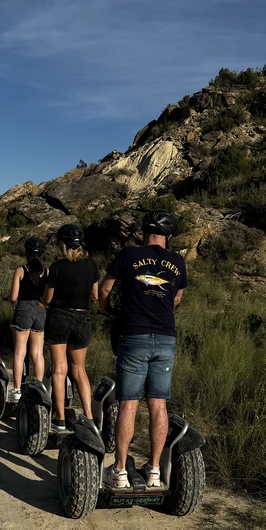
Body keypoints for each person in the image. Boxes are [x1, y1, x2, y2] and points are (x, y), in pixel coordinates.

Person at [98, 209, 187, 489]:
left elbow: (104, 289)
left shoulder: (128, 254)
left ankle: (120, 471)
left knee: (129, 402)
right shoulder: (177, 261)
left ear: (143, 232)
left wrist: (108, 310)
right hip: (164, 337)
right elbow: (176, 298)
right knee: (158, 404)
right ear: (169, 236)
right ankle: (155, 470)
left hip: (133, 333)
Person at [41, 224, 100, 432]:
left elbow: (47, 299)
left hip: (59, 317)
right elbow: (95, 295)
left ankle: (61, 418)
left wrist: (43, 300)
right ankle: (89, 417)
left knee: (59, 369)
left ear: (63, 245)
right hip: (83, 317)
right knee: (79, 370)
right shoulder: (91, 265)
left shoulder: (57, 267)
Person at [7, 237, 48, 403]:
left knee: (19, 352)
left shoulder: (21, 270)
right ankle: (39, 389)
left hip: (23, 310)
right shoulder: (47, 271)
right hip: (40, 310)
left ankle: (17, 390)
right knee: (37, 353)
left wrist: (9, 299)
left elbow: (14, 297)